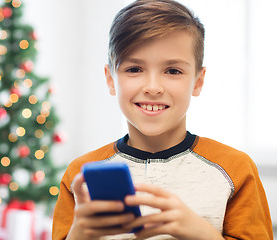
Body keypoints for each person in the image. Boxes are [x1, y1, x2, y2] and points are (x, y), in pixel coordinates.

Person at [52, 0, 273, 239]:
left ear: (198, 81)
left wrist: (201, 233)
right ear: (110, 79)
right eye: (134, 69)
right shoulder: (81, 176)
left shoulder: (236, 170)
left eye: (173, 71)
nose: (153, 87)